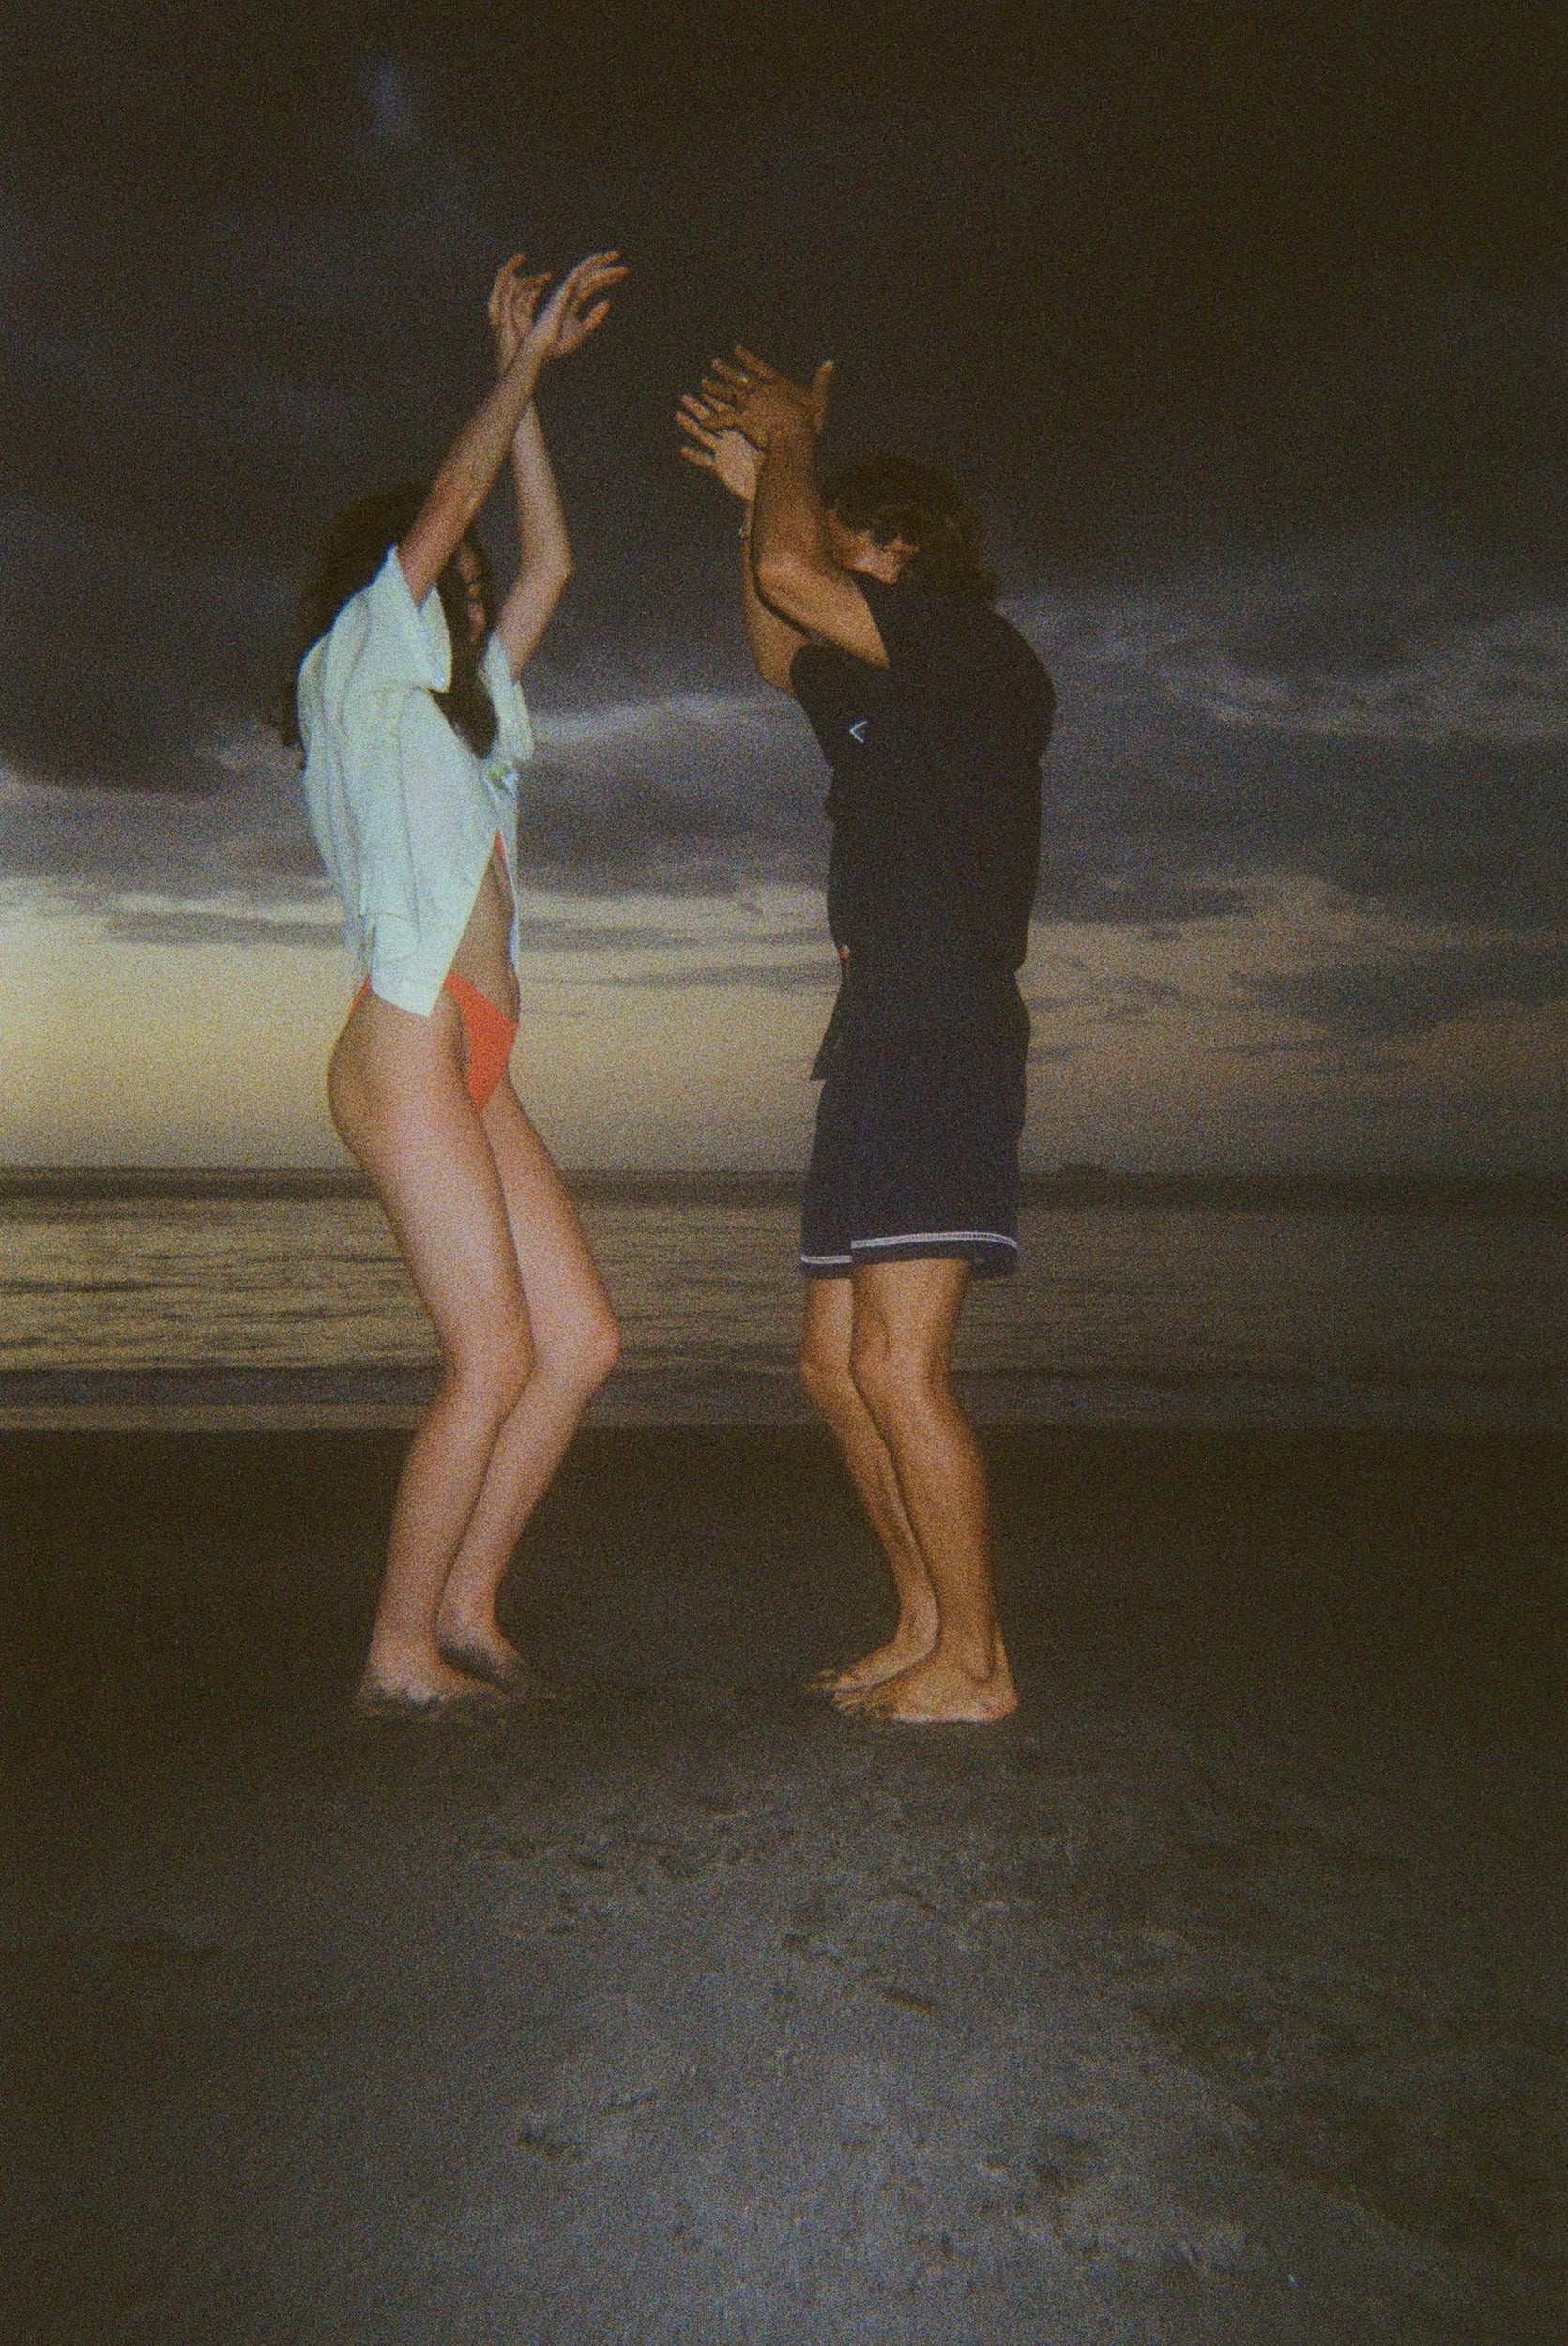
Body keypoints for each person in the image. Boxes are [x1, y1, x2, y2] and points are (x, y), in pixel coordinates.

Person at [677, 350, 1052, 1724]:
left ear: (900, 548)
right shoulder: (889, 697)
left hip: (941, 1030)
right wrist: (759, 492)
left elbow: (795, 572)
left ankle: (983, 1664)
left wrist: (790, 442)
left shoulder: (973, 657)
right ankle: (923, 1624)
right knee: (834, 1367)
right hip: (875, 1036)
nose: (819, 557)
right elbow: (781, 630)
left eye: (845, 538)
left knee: (901, 1363)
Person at [286, 250, 626, 1715]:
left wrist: (534, 396)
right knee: (488, 1354)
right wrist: (517, 366)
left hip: (476, 1048)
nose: (474, 598)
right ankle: (394, 1652)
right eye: (449, 586)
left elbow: (545, 565)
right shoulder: (354, 665)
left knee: (582, 1345)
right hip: (406, 1036)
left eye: (467, 596)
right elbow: (449, 514)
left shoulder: (469, 723)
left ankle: (470, 1602)